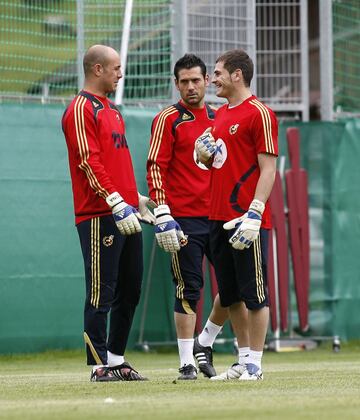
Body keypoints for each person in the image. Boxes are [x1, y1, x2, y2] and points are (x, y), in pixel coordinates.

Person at [146, 54, 247, 381]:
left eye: (196, 80)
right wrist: (162, 211)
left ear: (206, 80)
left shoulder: (221, 117)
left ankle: (215, 346)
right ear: (176, 84)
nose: (191, 86)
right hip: (183, 219)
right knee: (189, 288)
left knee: (233, 288)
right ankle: (187, 362)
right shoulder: (168, 119)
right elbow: (155, 166)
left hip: (220, 216)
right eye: (184, 81)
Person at [62, 44, 155, 382]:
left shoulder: (112, 110)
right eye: (116, 67)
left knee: (130, 289)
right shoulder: (80, 108)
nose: (121, 73)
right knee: (102, 290)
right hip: (100, 214)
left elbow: (115, 162)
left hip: (125, 211)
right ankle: (98, 365)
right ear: (97, 69)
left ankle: (117, 359)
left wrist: (135, 198)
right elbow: (89, 160)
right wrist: (114, 201)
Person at [195, 49, 278, 381]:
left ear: (237, 75)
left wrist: (255, 213)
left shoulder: (259, 113)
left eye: (217, 73)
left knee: (255, 294)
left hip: (246, 220)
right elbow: (218, 163)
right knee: (230, 294)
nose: (212, 79)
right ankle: (243, 360)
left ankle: (256, 365)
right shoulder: (221, 116)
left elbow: (268, 169)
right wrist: (202, 155)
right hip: (217, 217)